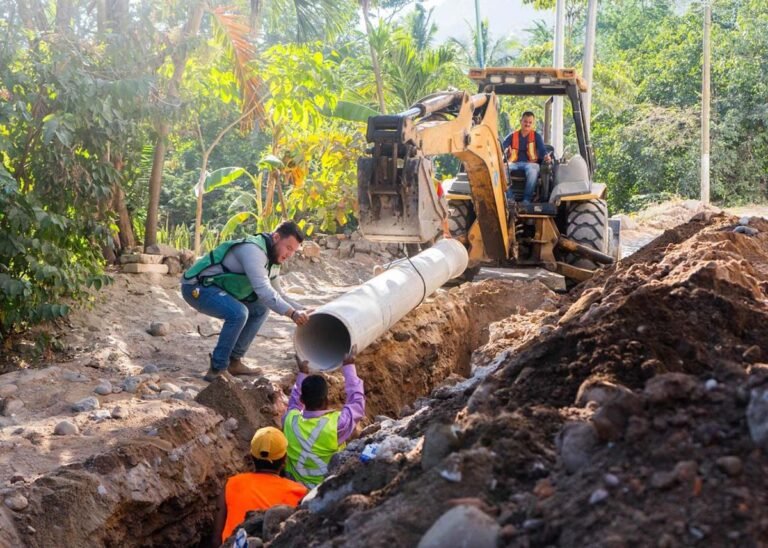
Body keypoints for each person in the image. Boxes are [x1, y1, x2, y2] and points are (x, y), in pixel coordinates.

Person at [182, 220, 311, 382]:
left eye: (293, 251)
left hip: (219, 288)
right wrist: (293, 314)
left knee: (260, 309)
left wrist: (304, 309)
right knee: (238, 313)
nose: (288, 255)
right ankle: (217, 369)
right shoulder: (253, 251)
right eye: (288, 248)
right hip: (197, 287)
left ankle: (234, 362)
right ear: (276, 237)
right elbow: (264, 291)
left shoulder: (274, 259)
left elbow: (279, 295)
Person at [211, 427, 308, 546]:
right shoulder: (299, 492)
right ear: (284, 459)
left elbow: (216, 539)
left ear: (251, 456)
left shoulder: (232, 483)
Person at [283, 349, 365, 488]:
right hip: (326, 489)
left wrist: (302, 373)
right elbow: (357, 403)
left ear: (303, 399)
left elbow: (293, 403)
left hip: (296, 488)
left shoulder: (289, 420)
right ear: (326, 400)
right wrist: (349, 367)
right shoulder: (337, 424)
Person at [502, 111, 552, 204]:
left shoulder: (536, 136)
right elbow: (501, 147)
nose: (527, 124)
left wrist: (546, 156)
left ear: (533, 123)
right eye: (525, 121)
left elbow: (542, 149)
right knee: (502, 168)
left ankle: (526, 200)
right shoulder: (512, 136)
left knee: (534, 169)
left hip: (530, 164)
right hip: (514, 163)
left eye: (530, 122)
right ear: (521, 121)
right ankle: (510, 199)